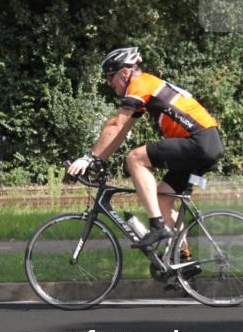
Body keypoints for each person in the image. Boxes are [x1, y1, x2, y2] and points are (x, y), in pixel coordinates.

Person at [67, 47, 223, 251]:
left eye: (110, 76)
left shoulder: (139, 85)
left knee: (135, 158)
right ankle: (183, 261)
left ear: (124, 73)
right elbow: (120, 130)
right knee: (163, 199)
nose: (109, 83)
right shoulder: (146, 87)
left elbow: (115, 125)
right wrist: (99, 159)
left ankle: (156, 226)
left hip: (199, 141)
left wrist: (88, 158)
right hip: (205, 143)